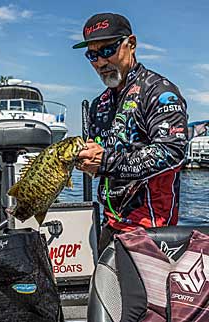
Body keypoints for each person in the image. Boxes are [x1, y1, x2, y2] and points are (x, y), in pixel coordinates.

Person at [73, 13, 188, 255]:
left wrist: (105, 161)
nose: (100, 62)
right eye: (92, 55)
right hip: (110, 224)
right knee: (107, 291)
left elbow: (172, 152)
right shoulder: (99, 104)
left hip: (151, 229)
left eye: (107, 50)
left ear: (131, 44)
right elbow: (100, 161)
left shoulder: (159, 91)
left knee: (140, 294)